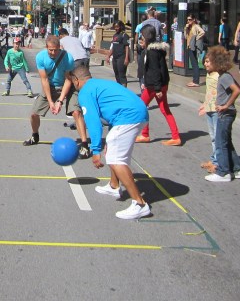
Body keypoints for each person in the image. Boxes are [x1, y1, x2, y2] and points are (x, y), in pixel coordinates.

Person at [68, 65, 151, 220]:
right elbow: (115, 107)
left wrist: (96, 150)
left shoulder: (84, 92)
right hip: (137, 112)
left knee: (114, 158)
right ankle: (114, 186)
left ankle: (140, 204)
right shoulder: (99, 84)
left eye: (73, 83)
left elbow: (93, 122)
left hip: (130, 116)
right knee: (112, 148)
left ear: (77, 81)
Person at [24, 35, 90, 158]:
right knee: (33, 114)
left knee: (76, 112)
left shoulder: (67, 58)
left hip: (67, 86)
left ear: (59, 47)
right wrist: (50, 102)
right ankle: (35, 135)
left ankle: (85, 145)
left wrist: (59, 101)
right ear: (46, 48)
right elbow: (44, 80)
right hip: (50, 86)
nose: (53, 52)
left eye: (55, 50)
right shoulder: (40, 57)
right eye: (50, 50)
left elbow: (68, 79)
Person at [203, 46, 240, 182]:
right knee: (226, 142)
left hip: (225, 113)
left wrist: (226, 105)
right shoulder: (224, 76)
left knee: (220, 142)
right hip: (226, 112)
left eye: (211, 61)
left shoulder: (225, 77)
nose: (207, 63)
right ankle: (238, 169)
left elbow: (237, 90)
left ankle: (223, 172)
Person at [135, 25, 181, 146]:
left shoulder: (151, 52)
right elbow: (156, 69)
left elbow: (155, 71)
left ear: (147, 37)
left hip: (155, 86)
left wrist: (157, 88)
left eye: (142, 36)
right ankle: (175, 136)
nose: (140, 38)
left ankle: (145, 134)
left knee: (141, 107)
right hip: (158, 84)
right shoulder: (157, 49)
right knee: (164, 109)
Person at [199, 52, 219, 174]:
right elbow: (209, 93)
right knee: (212, 136)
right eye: (205, 61)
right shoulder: (208, 75)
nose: (206, 64)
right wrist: (204, 105)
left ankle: (218, 163)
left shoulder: (219, 76)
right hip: (209, 109)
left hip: (217, 110)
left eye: (208, 61)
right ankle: (214, 159)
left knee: (217, 137)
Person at [105, 21, 130, 86]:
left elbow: (127, 47)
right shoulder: (115, 35)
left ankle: (124, 91)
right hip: (115, 58)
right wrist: (108, 56)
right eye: (115, 27)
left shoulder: (125, 35)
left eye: (117, 27)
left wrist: (126, 58)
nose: (116, 28)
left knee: (122, 75)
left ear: (121, 27)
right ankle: (119, 89)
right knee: (117, 75)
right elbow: (113, 47)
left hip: (122, 57)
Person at [185, 15, 206, 87]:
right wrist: (186, 28)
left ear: (194, 20)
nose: (188, 21)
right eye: (187, 20)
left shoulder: (196, 26)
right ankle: (194, 80)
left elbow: (202, 32)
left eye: (190, 19)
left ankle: (196, 81)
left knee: (194, 64)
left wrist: (196, 38)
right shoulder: (189, 27)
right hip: (189, 46)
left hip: (193, 46)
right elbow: (185, 36)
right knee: (194, 63)